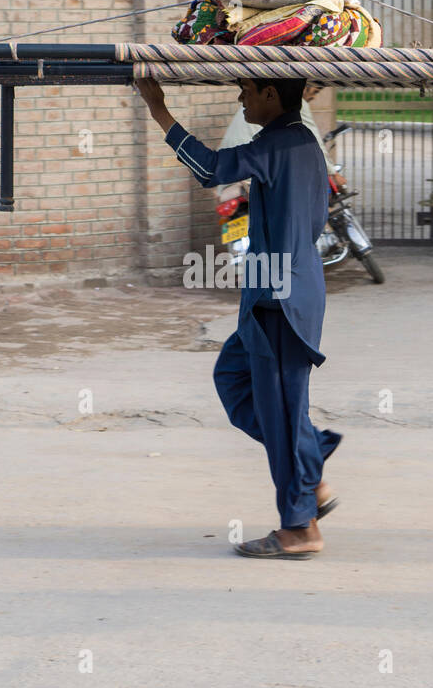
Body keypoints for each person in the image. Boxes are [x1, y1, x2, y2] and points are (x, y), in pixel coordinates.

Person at [134, 74, 343, 559]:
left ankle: (299, 528)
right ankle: (310, 468)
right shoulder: (295, 140)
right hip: (272, 294)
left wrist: (158, 108)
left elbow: (209, 170)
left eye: (246, 90)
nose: (240, 98)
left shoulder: (282, 142)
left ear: (271, 94)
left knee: (283, 412)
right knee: (233, 377)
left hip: (281, 300)